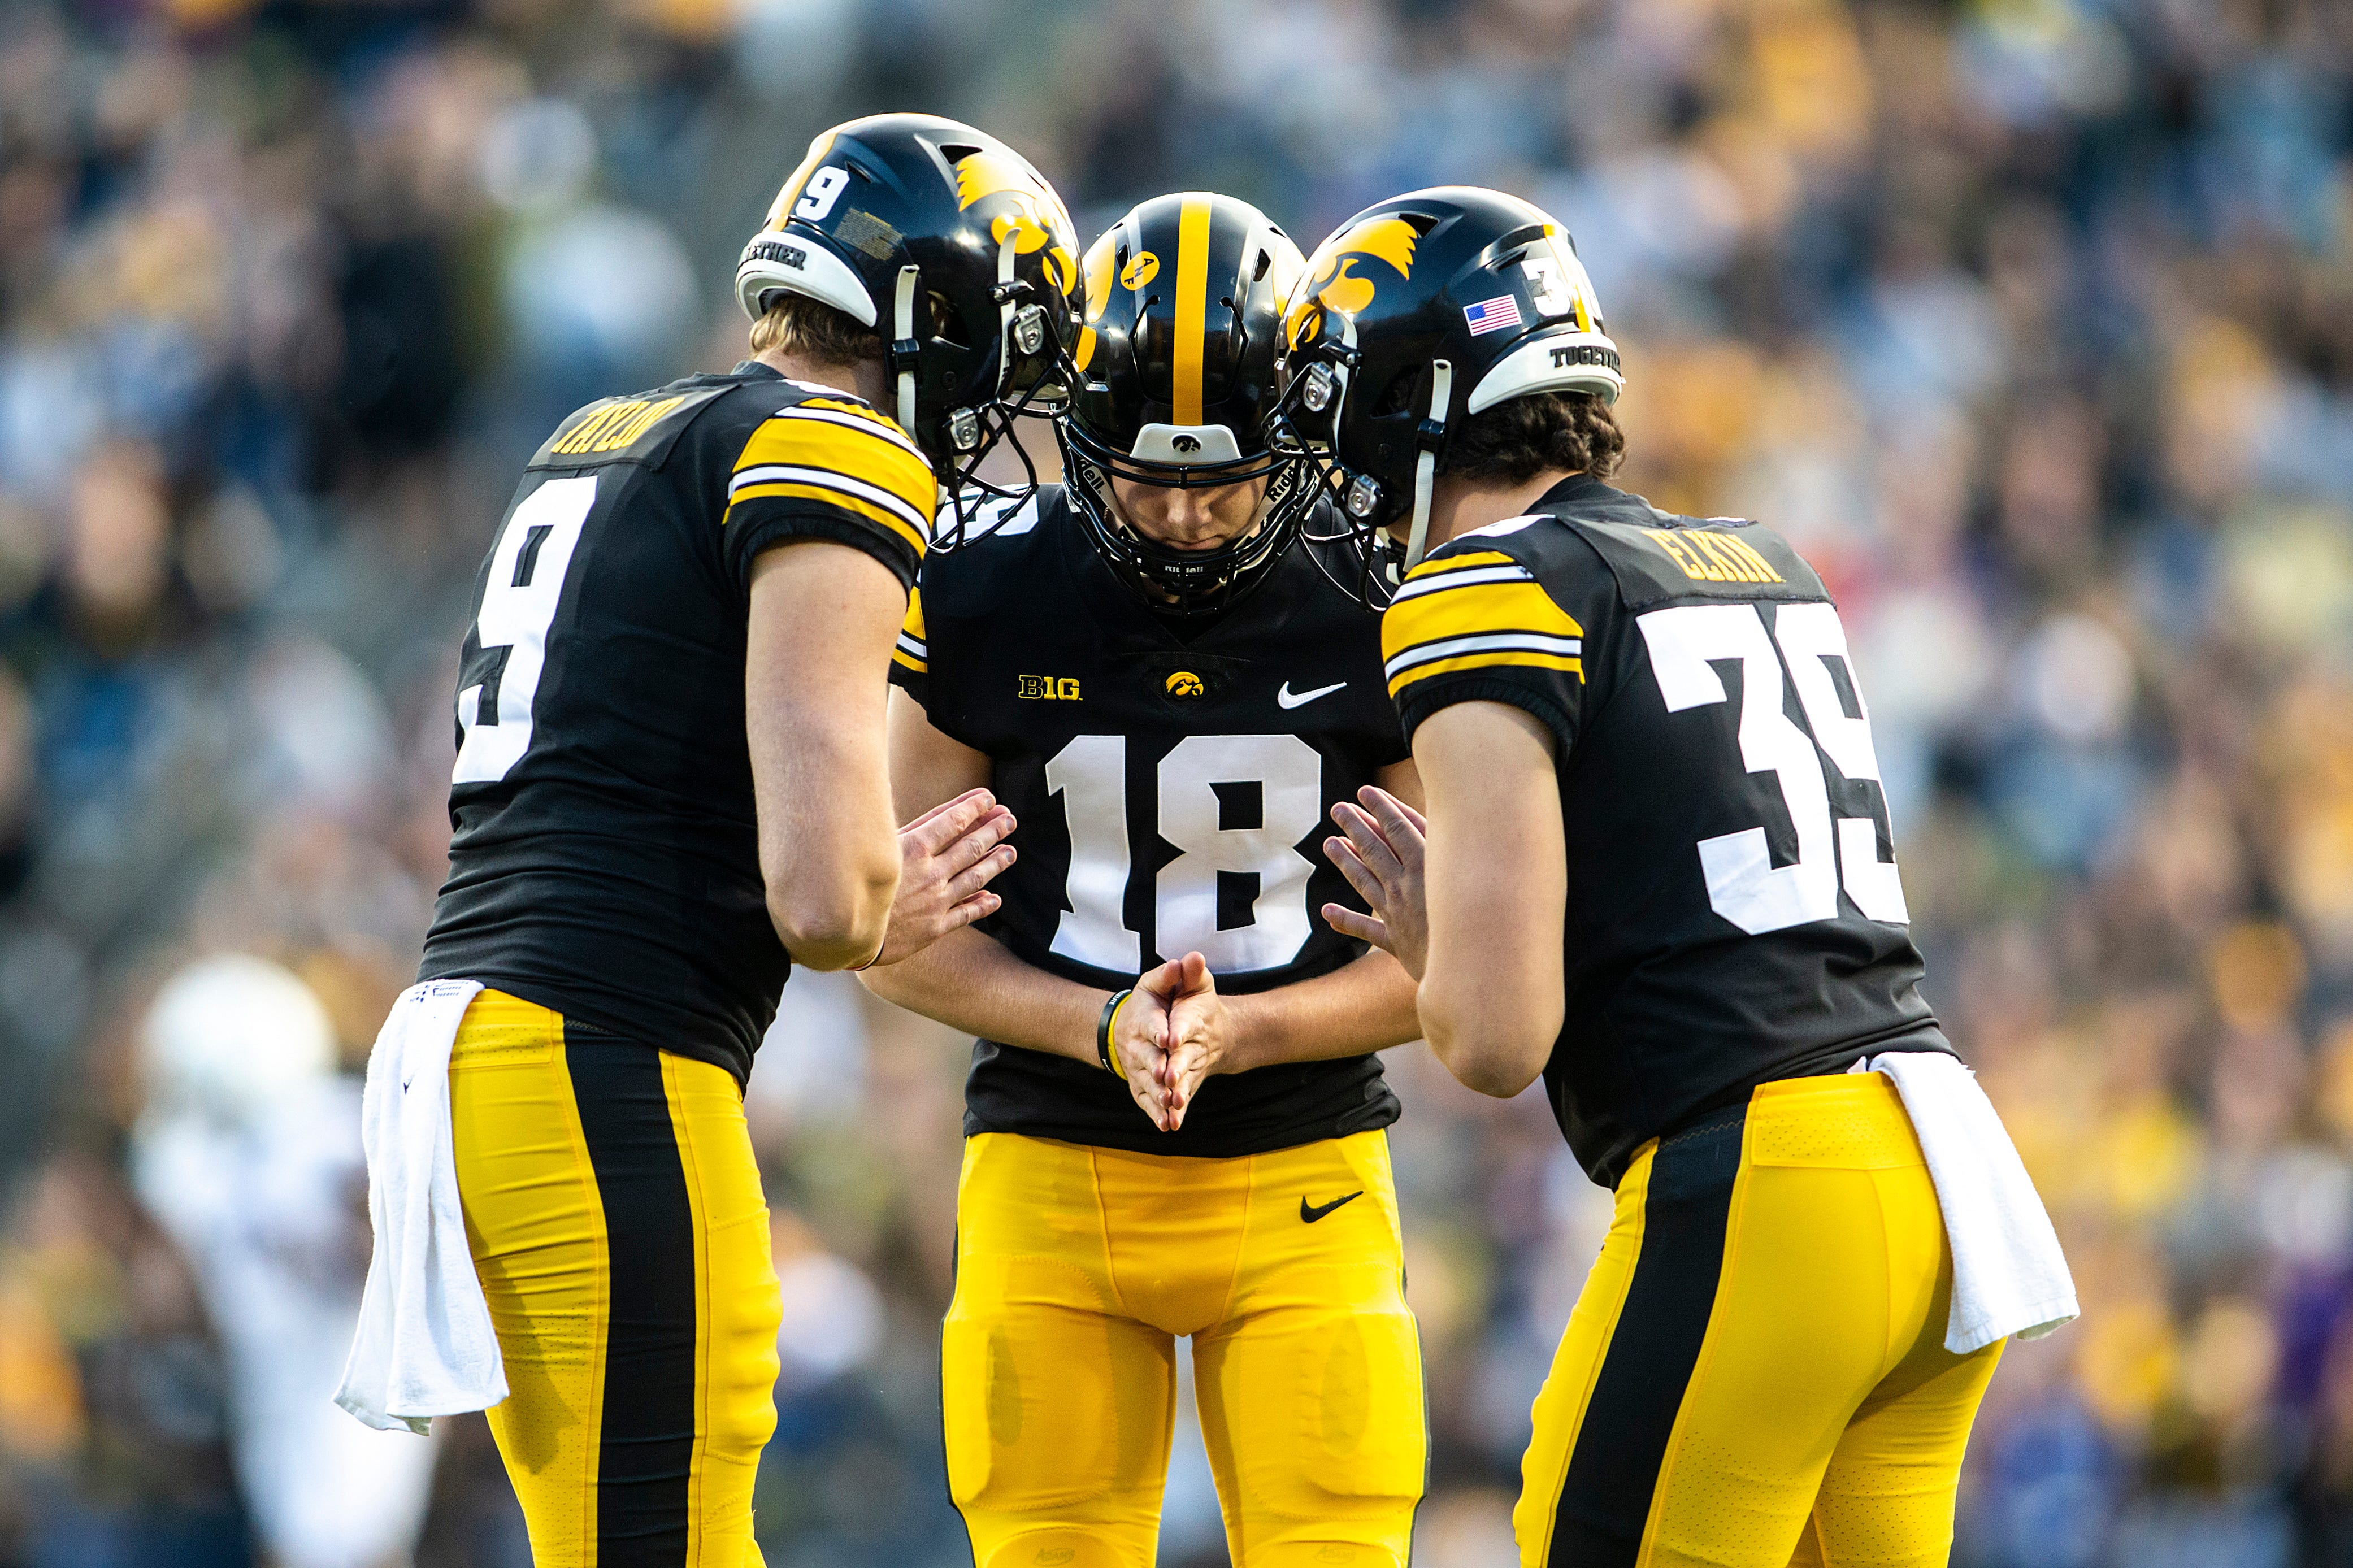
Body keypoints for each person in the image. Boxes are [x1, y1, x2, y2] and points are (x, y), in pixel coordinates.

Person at [1284, 186, 2072, 1568]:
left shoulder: (1482, 589)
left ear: (1416, 403)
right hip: (1940, 1168)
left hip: (1767, 1175)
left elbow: (1496, 1037)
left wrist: (1430, 937)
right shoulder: (1761, 558)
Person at [396, 114, 1076, 1566]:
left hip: (480, 1037)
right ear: (935, 320)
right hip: (605, 1048)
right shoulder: (830, 445)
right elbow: (826, 899)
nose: (994, 409)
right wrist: (886, 902)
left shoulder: (613, 428)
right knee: (667, 1530)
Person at [859, 191, 1428, 1568]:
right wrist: (1097, 1024)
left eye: (1224, 479)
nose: (1182, 514)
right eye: (1144, 478)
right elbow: (891, 923)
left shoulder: (1381, 594)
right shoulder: (986, 590)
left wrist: (1250, 1030)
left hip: (1307, 1165)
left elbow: (1457, 951)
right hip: (1050, 1164)